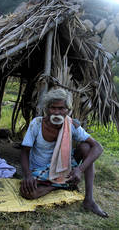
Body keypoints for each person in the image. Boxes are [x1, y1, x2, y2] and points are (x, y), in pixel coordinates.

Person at [20, 88, 108, 217]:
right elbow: (24, 152)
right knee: (27, 193)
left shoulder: (72, 125)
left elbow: (98, 147)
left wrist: (79, 169)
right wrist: (27, 175)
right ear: (47, 109)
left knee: (86, 148)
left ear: (68, 110)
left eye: (61, 108)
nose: (57, 112)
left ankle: (89, 199)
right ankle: (60, 185)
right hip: (39, 170)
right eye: (53, 108)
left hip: (63, 167)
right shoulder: (37, 124)